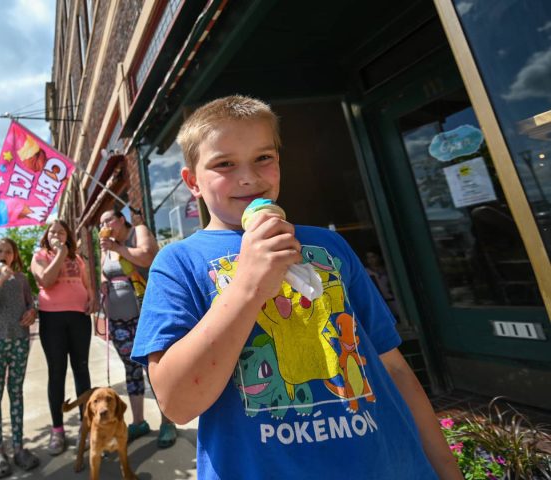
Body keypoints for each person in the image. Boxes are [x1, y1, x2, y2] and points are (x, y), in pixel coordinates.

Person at [130, 95, 462, 479]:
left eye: (263, 158)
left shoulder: (329, 246)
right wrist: (248, 284)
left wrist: (447, 470)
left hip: (389, 465)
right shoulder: (177, 263)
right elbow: (177, 403)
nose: (249, 177)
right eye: (224, 164)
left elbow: (393, 367)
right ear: (193, 183)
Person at [98, 208, 178, 448]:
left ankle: (168, 422)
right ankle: (139, 421)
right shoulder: (108, 247)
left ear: (121, 220)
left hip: (147, 311)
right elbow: (105, 273)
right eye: (101, 222)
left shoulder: (137, 232)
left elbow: (147, 256)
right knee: (131, 369)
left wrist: (117, 249)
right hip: (120, 320)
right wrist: (103, 284)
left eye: (108, 219)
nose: (105, 224)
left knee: (154, 367)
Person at [0, 238, 40, 478]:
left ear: (14, 257)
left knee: (16, 393)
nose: (3, 253)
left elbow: (29, 303)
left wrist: (32, 312)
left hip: (20, 341)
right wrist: (0, 279)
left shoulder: (22, 280)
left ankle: (18, 448)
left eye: (8, 251)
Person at [30, 219, 97, 455]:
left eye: (61, 232)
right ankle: (57, 430)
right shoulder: (40, 256)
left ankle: (85, 426)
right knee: (56, 372)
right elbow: (45, 281)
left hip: (79, 318)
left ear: (68, 236)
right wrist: (59, 254)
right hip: (52, 320)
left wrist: (91, 299)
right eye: (53, 233)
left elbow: (87, 285)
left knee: (82, 370)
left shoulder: (78, 259)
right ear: (47, 237)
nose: (57, 235)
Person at [364, 247, 400, 318]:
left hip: (395, 302)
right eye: (368, 258)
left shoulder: (388, 269)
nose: (371, 260)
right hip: (381, 305)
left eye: (373, 257)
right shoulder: (366, 272)